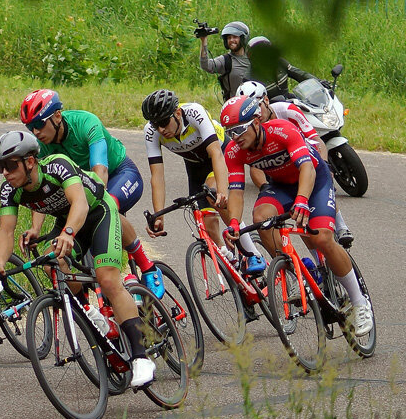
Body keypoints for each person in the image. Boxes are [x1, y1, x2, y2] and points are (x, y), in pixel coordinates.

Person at [0, 130, 156, 386]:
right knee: (51, 263)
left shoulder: (58, 165)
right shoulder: (9, 191)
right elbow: (6, 230)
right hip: (68, 222)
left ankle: (141, 358)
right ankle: (89, 311)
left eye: (10, 165)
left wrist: (68, 232)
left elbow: (79, 203)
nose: (4, 172)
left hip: (98, 212)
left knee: (108, 280)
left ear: (30, 161)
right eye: (0, 166)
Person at [218, 97, 372, 336]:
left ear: (256, 121)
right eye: (230, 132)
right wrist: (235, 222)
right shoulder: (234, 151)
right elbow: (236, 190)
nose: (235, 136)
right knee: (261, 218)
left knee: (322, 238)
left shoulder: (282, 130)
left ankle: (360, 303)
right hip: (280, 186)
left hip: (313, 180)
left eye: (239, 129)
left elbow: (307, 168)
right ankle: (298, 271)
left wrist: (302, 200)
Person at [18, 89, 164, 296]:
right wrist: (35, 227)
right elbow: (43, 190)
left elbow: (100, 172)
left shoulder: (86, 123)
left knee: (107, 204)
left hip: (119, 174)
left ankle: (147, 266)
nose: (36, 132)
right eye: (30, 127)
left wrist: (91, 206)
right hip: (84, 189)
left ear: (57, 116)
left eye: (39, 124)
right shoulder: (40, 147)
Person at [139, 89, 266, 274]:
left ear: (177, 113)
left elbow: (215, 153)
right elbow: (157, 176)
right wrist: (159, 214)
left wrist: (222, 191)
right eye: (155, 124)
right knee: (206, 220)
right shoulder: (151, 132)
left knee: (214, 195)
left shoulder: (194, 112)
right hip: (195, 167)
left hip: (220, 154)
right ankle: (231, 261)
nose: (160, 129)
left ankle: (252, 253)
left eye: (164, 122)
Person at [235, 80, 352, 246]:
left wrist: (325, 165)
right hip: (280, 169)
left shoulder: (287, 110)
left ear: (266, 101)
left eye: (258, 106)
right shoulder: (251, 128)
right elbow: (254, 167)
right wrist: (264, 188)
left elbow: (315, 140)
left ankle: (341, 225)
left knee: (322, 179)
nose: (256, 113)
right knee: (302, 224)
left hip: (304, 155)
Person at [247, 37, 317, 102]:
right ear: (253, 57)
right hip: (271, 109)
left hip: (288, 99)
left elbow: (300, 74)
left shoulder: (280, 62)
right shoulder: (249, 78)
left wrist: (317, 82)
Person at [199, 20, 252, 100]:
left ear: (242, 38)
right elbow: (206, 65)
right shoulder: (226, 61)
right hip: (235, 107)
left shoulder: (252, 57)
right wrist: (204, 41)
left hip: (255, 104)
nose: (231, 40)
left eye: (235, 37)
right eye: (229, 38)